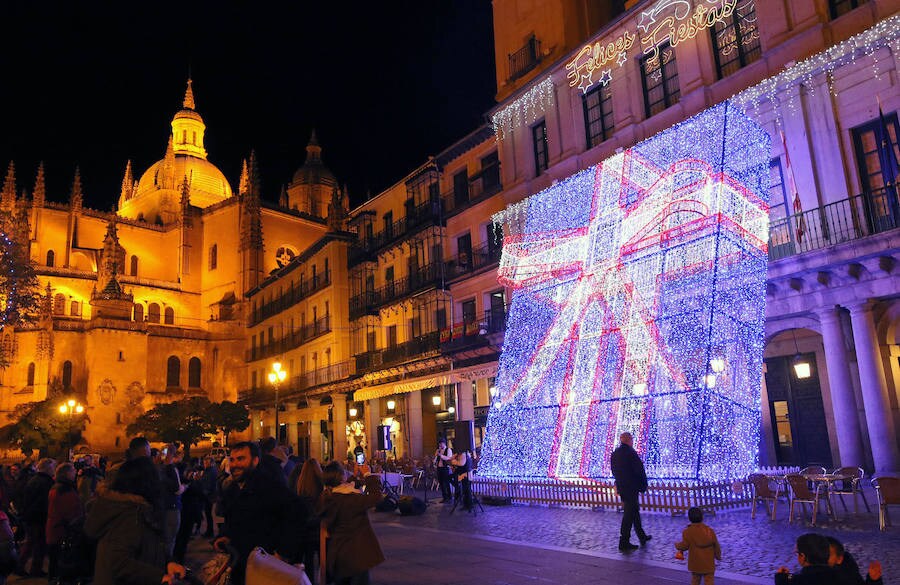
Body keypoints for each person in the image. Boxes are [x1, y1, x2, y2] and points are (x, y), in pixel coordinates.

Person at [84, 457, 186, 585]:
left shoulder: (139, 509)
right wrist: (158, 576)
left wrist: (168, 562)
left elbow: (151, 547)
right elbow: (118, 561)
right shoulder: (129, 514)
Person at [214, 441, 299, 585]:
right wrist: (224, 536)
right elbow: (232, 521)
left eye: (241, 459)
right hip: (240, 563)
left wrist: (283, 553)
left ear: (255, 460)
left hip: (265, 565)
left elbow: (296, 515)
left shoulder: (271, 486)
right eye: (232, 460)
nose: (235, 464)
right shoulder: (232, 489)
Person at [317, 461, 384, 585]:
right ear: (342, 477)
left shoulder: (327, 497)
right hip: (356, 555)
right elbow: (376, 496)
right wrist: (368, 474)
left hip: (337, 553)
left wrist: (353, 476)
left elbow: (347, 486)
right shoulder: (351, 499)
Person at [610, 432, 650, 552]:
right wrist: (643, 485)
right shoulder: (631, 453)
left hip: (623, 487)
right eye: (632, 439)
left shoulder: (615, 453)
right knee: (629, 514)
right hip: (631, 487)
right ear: (628, 440)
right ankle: (624, 541)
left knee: (634, 511)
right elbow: (639, 470)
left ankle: (641, 536)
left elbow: (614, 470)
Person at [16, 457, 56, 577]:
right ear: (48, 468)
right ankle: (35, 569)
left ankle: (20, 566)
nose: (54, 470)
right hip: (38, 518)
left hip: (30, 516)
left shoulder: (34, 479)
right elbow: (44, 502)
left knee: (31, 543)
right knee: (38, 544)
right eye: (53, 467)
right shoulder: (46, 482)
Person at [46, 463, 84, 583]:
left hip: (54, 528)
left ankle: (52, 579)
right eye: (73, 471)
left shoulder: (56, 487)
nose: (75, 474)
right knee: (61, 563)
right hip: (62, 531)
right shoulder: (65, 490)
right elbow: (72, 512)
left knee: (54, 561)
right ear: (67, 473)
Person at [293, 459, 324, 585]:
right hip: (319, 530)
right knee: (323, 561)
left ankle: (309, 581)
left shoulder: (300, 485)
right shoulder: (321, 486)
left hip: (305, 531)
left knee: (308, 561)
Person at [674, 507, 721, 585]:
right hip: (708, 562)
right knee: (709, 580)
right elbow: (716, 544)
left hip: (695, 563)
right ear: (702, 517)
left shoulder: (687, 532)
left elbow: (684, 546)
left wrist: (677, 545)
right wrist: (718, 555)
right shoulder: (709, 531)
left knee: (695, 580)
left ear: (689, 518)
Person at [199, 456, 218, 538]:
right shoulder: (209, 470)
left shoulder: (211, 471)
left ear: (211, 463)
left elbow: (209, 483)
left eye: (207, 462)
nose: (205, 464)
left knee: (208, 513)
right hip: (208, 495)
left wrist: (204, 492)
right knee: (208, 514)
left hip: (208, 495)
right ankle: (209, 531)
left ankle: (210, 532)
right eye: (204, 462)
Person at [434, 438, 454, 503]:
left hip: (445, 468)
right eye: (439, 444)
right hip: (439, 468)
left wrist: (441, 455)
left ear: (444, 443)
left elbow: (449, 458)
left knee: (446, 483)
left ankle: (449, 496)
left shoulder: (448, 450)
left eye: (441, 443)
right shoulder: (438, 450)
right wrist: (435, 458)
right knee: (441, 483)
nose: (440, 445)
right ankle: (444, 497)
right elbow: (436, 458)